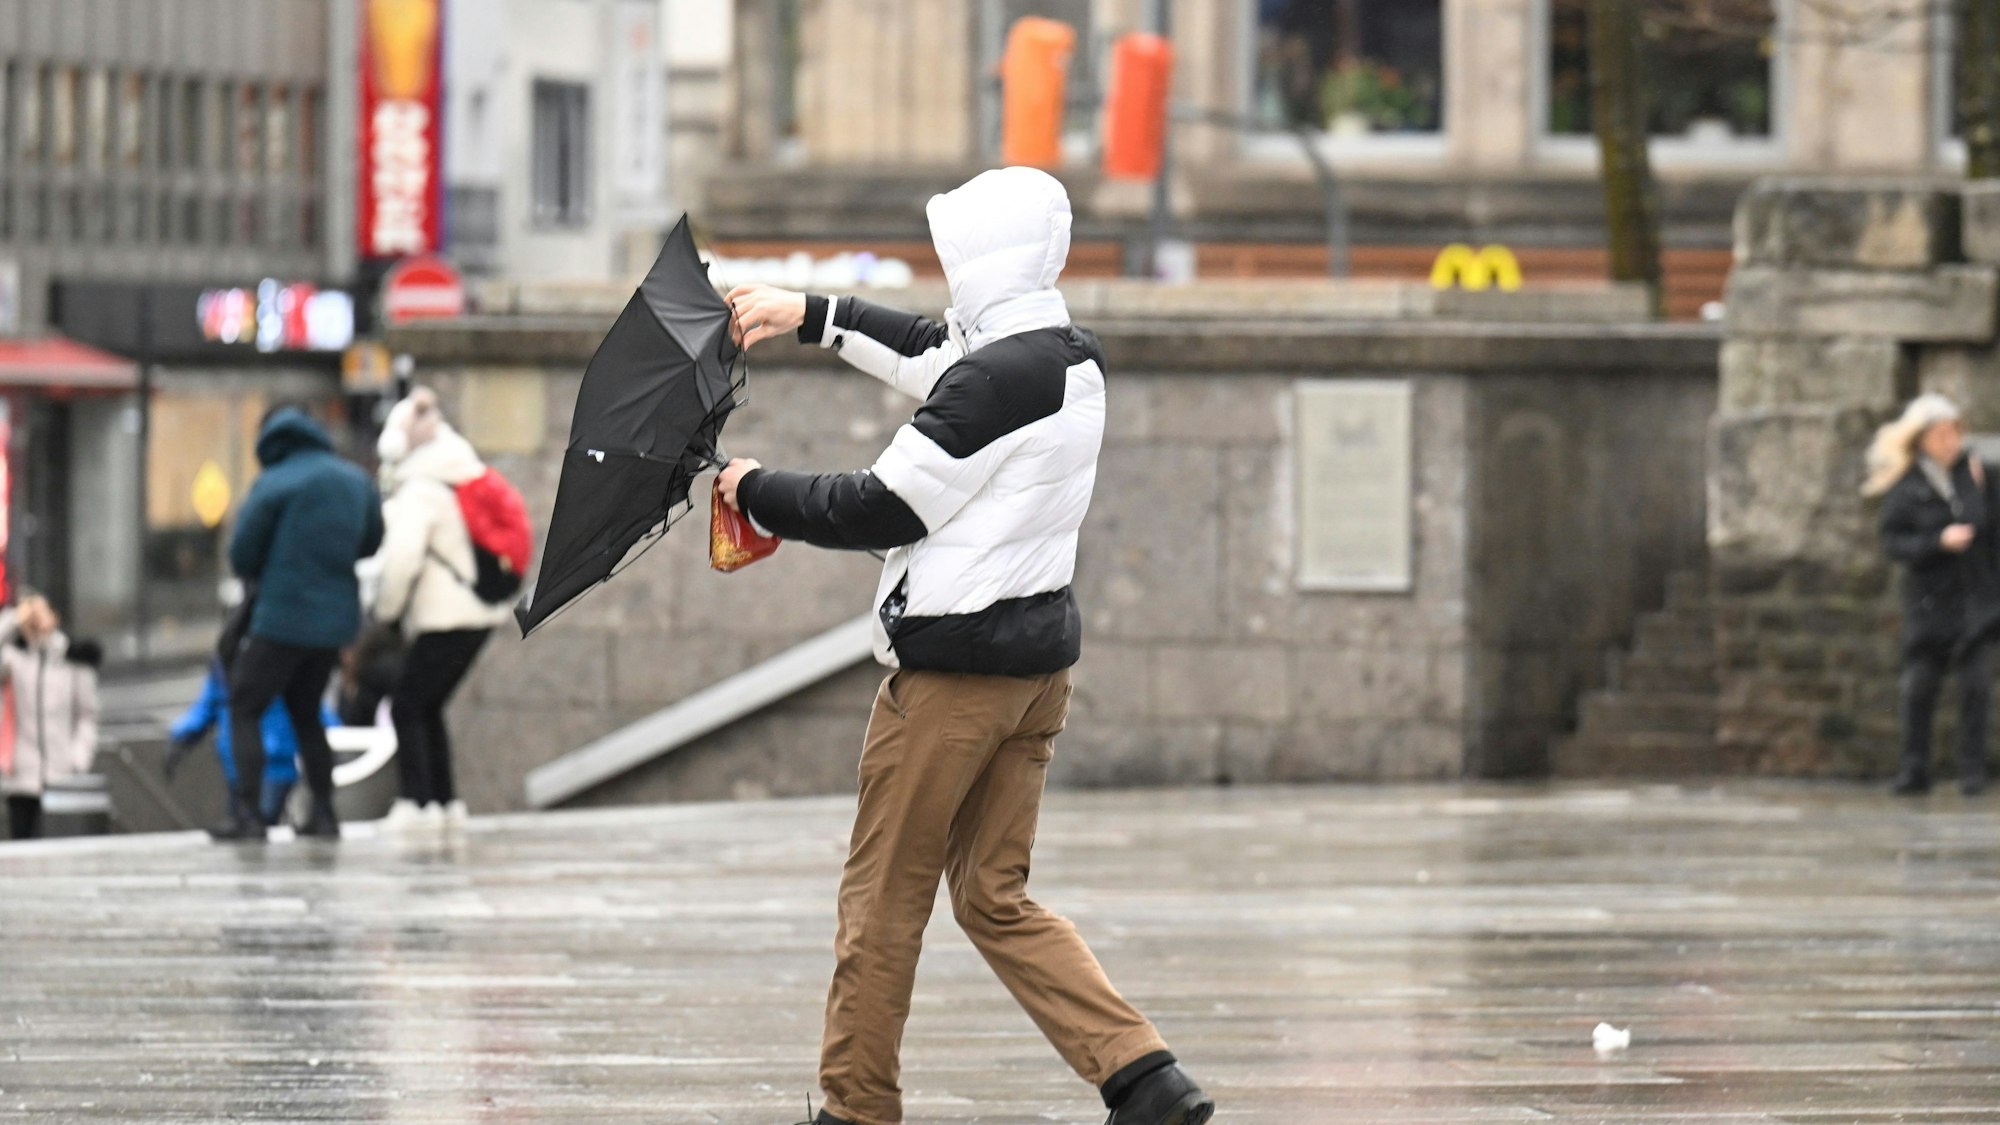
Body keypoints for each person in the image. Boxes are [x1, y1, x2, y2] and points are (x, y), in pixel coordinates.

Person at [719, 167, 1212, 1125]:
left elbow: (882, 502)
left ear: (979, 259)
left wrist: (755, 486)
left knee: (882, 900)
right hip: (1035, 672)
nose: (945, 278)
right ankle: (1145, 1077)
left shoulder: (995, 382)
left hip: (950, 683)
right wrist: (806, 312)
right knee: (993, 894)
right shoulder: (1065, 356)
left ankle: (856, 1109)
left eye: (953, 257)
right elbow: (931, 350)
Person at [213, 406, 383, 842]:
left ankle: (248, 815)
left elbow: (242, 556)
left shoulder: (274, 483)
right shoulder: (354, 481)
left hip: (281, 620)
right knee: (306, 712)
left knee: (245, 705)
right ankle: (323, 813)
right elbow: (371, 541)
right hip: (334, 625)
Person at [370, 389, 512, 826]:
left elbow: (402, 561)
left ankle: (418, 804)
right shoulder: (459, 472)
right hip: (479, 612)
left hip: (445, 616)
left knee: (407, 706)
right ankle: (445, 803)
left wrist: (385, 611)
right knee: (426, 705)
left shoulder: (421, 489)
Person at [1869, 393, 1995, 796]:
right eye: (1939, 434)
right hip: (1929, 602)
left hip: (1975, 600)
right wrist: (1937, 540)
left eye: (1953, 433)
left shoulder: (1978, 476)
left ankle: (1972, 770)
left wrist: (1975, 490)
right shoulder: (1907, 489)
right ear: (1921, 439)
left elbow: (1988, 529)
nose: (1948, 441)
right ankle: (1915, 768)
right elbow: (1893, 541)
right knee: (1919, 687)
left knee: (1976, 686)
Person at [168, 657, 339, 828]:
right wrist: (182, 735)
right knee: (249, 823)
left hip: (271, 763)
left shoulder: (267, 658)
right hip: (242, 763)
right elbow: (208, 704)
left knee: (254, 823)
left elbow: (309, 709)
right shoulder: (237, 663)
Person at [0, 594, 100, 840]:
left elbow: (87, 715)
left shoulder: (74, 660)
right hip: (22, 778)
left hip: (62, 775)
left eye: (42, 611)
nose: (36, 618)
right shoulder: (15, 658)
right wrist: (14, 619)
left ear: (56, 616)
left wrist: (78, 758)